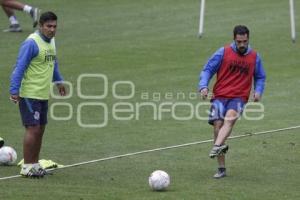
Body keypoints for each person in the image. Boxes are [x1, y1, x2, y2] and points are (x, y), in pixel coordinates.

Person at [198, 25, 266, 179]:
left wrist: (258, 91)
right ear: (234, 39)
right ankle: (221, 167)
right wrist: (203, 86)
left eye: (245, 41)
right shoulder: (223, 52)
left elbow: (261, 76)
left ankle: (216, 146)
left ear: (248, 39)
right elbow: (208, 69)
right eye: (239, 41)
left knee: (229, 119)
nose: (242, 44)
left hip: (239, 97)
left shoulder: (255, 57)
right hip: (220, 96)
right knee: (217, 127)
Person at [10, 11, 66, 178]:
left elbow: (53, 64)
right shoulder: (31, 43)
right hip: (29, 93)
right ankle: (27, 166)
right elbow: (19, 67)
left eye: (55, 26)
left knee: (40, 129)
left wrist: (59, 82)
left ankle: (34, 164)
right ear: (41, 26)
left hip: (42, 93)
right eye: (49, 26)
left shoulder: (52, 42)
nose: (52, 29)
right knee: (33, 129)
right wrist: (14, 90)